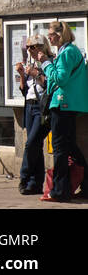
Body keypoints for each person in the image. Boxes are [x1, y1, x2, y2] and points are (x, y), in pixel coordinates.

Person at [44, 21, 88, 201]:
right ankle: (84, 184)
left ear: (60, 35)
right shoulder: (68, 52)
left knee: (61, 148)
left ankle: (60, 190)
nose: (49, 37)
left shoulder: (67, 52)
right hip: (67, 104)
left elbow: (61, 79)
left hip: (64, 104)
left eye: (51, 34)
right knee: (69, 146)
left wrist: (46, 64)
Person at [16, 35, 51, 194]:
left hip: (41, 107)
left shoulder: (48, 61)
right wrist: (23, 75)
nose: (30, 50)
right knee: (35, 145)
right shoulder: (31, 62)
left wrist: (36, 73)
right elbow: (25, 90)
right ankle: (35, 183)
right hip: (29, 106)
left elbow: (49, 84)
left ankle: (24, 177)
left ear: (42, 46)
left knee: (31, 143)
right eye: (28, 47)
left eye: (33, 46)